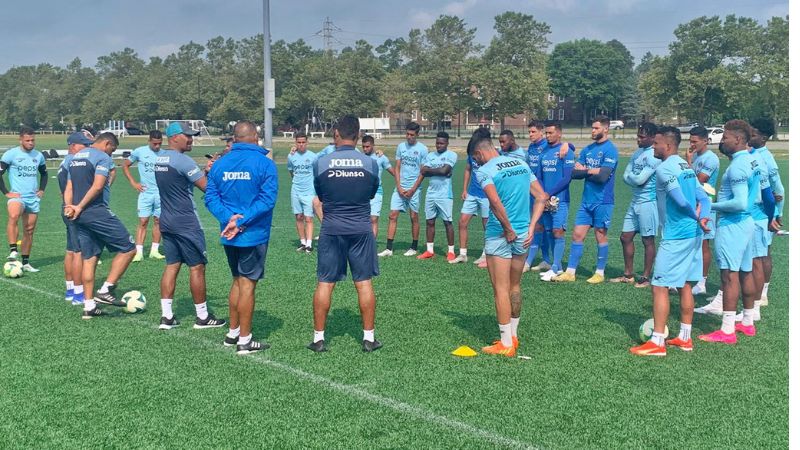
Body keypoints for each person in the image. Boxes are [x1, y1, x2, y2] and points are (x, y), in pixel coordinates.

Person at [629, 126, 711, 356]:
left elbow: (682, 200)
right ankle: (685, 337)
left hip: (677, 236)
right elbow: (702, 196)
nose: (653, 147)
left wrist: (696, 216)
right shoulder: (685, 165)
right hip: (695, 234)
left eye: (656, 143)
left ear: (668, 145)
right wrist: (703, 218)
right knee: (686, 283)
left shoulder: (664, 169)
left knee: (659, 285)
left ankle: (657, 342)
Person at [307, 115, 382, 352]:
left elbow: (320, 195)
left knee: (325, 283)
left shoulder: (321, 163)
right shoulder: (370, 164)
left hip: (332, 228)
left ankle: (319, 338)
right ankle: (368, 338)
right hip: (361, 228)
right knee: (364, 283)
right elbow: (370, 194)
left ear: (336, 134)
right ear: (358, 136)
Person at [470, 137, 548, 357]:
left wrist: (508, 229)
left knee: (500, 289)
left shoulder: (485, 171)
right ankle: (513, 336)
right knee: (515, 285)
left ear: (479, 154)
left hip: (500, 235)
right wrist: (532, 227)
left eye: (475, 159)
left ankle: (505, 344)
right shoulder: (520, 163)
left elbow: (495, 203)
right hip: (525, 234)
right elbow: (542, 196)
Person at [205, 121, 278, 355]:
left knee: (237, 280)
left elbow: (210, 198)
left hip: (230, 234)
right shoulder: (265, 164)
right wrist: (241, 220)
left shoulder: (219, 165)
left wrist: (229, 219)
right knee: (247, 285)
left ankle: (233, 332)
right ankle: (245, 340)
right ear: (255, 136)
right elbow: (267, 200)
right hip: (252, 234)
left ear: (234, 138)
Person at [155, 122, 227, 331]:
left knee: (172, 265)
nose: (191, 139)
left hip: (167, 219)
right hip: (186, 222)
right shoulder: (184, 161)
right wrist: (213, 173)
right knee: (197, 267)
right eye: (188, 135)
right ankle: (202, 317)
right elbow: (206, 188)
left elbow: (182, 180)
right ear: (175, 137)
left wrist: (203, 171)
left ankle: (166, 316)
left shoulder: (161, 158)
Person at [698, 120, 761, 344]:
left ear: (738, 139)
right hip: (747, 224)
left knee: (729, 275)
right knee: (745, 272)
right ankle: (747, 322)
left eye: (725, 137)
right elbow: (756, 197)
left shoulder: (737, 167)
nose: (722, 141)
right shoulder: (752, 160)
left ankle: (726, 330)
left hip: (733, 224)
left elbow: (741, 203)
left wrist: (710, 206)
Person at [63, 132, 136, 318]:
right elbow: (97, 187)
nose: (112, 153)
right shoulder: (101, 157)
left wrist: (69, 207)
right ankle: (106, 289)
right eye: (113, 149)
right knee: (129, 248)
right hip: (95, 212)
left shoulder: (75, 158)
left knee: (90, 257)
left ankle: (89, 306)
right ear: (107, 143)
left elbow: (69, 187)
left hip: (77, 216)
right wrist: (79, 206)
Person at [553, 116, 619, 283]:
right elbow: (574, 174)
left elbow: (603, 177)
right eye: (592, 128)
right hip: (586, 201)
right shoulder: (587, 149)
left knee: (600, 235)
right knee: (577, 235)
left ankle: (599, 273)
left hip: (603, 201)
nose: (593, 131)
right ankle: (570, 272)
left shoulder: (610, 150)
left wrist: (586, 170)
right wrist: (592, 170)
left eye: (596, 128)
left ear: (606, 129)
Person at [610, 123, 660, 288]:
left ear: (652, 138)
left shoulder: (654, 155)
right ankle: (628, 274)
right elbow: (625, 176)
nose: (638, 139)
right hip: (634, 201)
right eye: (638, 135)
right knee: (625, 237)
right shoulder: (638, 153)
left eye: (642, 136)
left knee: (647, 240)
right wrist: (634, 177)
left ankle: (645, 277)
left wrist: (633, 177)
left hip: (648, 203)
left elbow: (639, 180)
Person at [0, 126, 47, 271]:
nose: (31, 143)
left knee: (29, 229)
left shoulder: (38, 156)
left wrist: (41, 190)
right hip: (17, 196)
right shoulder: (10, 154)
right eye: (27, 140)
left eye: (33, 140)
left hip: (32, 198)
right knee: (14, 215)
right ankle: (13, 249)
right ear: (20, 140)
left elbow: (44, 174)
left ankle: (25, 262)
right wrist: (6, 192)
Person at [748, 119, 784, 306]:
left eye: (753, 134)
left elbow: (778, 189)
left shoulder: (765, 158)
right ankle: (757, 292)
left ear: (763, 138)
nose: (749, 137)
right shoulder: (755, 153)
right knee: (759, 253)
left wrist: (777, 214)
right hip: (761, 211)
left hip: (765, 213)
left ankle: (762, 293)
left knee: (763, 254)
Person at [378, 122, 427, 257]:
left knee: (414, 217)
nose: (409, 137)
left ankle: (414, 246)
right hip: (400, 187)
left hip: (414, 189)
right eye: (407, 134)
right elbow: (397, 167)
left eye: (412, 135)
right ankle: (389, 248)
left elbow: (423, 172)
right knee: (392, 215)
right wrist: (399, 186)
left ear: (417, 135)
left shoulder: (423, 149)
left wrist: (413, 189)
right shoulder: (401, 147)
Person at [58, 131, 94, 305]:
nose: (87, 148)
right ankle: (79, 293)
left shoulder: (65, 162)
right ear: (72, 145)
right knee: (79, 251)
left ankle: (70, 288)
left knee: (71, 249)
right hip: (74, 208)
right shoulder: (74, 161)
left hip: (66, 207)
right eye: (83, 145)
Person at [536, 122, 575, 281]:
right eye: (546, 133)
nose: (548, 136)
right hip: (545, 198)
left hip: (560, 199)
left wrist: (548, 194)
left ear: (559, 133)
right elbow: (539, 176)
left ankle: (555, 267)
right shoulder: (544, 152)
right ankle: (556, 266)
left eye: (551, 133)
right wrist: (542, 195)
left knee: (558, 231)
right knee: (548, 231)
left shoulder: (567, 152)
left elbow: (567, 178)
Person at [684, 127, 720, 298]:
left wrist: (689, 163)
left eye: (694, 141)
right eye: (690, 141)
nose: (691, 144)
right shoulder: (697, 156)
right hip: (695, 203)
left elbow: (698, 182)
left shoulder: (710, 159)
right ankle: (689, 278)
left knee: (704, 244)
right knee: (693, 243)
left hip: (706, 204)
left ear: (705, 141)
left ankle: (702, 282)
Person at [122, 130, 166, 262]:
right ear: (149, 141)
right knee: (143, 221)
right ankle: (139, 252)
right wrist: (133, 182)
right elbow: (125, 165)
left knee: (158, 220)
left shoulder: (164, 154)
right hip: (145, 193)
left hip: (161, 193)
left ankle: (154, 250)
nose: (157, 146)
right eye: (154, 144)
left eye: (159, 144)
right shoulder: (139, 151)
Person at [451, 127, 491, 265]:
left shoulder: (490, 155)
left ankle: (486, 254)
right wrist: (464, 189)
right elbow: (468, 170)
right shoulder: (472, 154)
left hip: (487, 195)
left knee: (487, 225)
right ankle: (463, 254)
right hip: (472, 193)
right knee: (462, 221)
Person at [418, 131, 458, 261]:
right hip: (431, 194)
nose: (439, 145)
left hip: (444, 195)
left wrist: (435, 171)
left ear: (447, 143)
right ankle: (430, 250)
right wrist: (439, 171)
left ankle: (451, 251)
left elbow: (445, 170)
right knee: (430, 221)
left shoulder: (452, 155)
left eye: (442, 143)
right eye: (437, 143)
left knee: (447, 222)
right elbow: (424, 171)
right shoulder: (430, 155)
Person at [524, 121, 551, 272]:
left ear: (541, 132)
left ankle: (528, 261)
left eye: (533, 132)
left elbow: (567, 147)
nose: (530, 135)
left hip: (544, 191)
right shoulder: (531, 147)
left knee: (542, 226)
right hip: (533, 190)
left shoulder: (548, 145)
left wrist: (569, 146)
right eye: (529, 132)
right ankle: (546, 260)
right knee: (539, 225)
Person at [287, 132, 318, 252]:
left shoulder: (313, 157)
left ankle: (309, 244)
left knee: (309, 218)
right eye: (298, 142)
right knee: (299, 217)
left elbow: (317, 173)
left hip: (309, 191)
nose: (301, 145)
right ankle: (303, 242)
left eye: (303, 142)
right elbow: (291, 171)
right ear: (295, 143)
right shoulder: (291, 156)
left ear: (307, 142)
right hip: (295, 190)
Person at [361, 135, 396, 237]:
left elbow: (393, 172)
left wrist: (402, 182)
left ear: (373, 145)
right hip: (362, 193)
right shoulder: (360, 157)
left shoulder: (381, 158)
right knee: (362, 219)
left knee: (373, 219)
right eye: (363, 146)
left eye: (367, 146)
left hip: (377, 192)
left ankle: (371, 245)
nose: (365, 149)